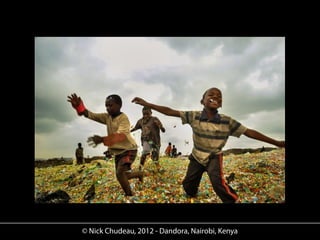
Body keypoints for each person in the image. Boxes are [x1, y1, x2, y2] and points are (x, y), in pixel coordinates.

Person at [132, 87, 285, 203]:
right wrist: (147, 103)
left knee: (218, 183)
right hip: (197, 156)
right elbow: (170, 111)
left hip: (214, 156)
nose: (215, 97)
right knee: (188, 187)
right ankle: (193, 188)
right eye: (211, 95)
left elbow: (249, 132)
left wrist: (277, 142)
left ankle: (233, 200)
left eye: (219, 96)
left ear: (221, 103)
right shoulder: (194, 116)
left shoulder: (227, 121)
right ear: (202, 101)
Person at [67, 93, 143, 196]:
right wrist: (79, 107)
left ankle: (130, 196)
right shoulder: (107, 117)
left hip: (129, 150)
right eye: (106, 106)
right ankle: (140, 174)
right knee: (122, 175)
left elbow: (120, 136)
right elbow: (90, 115)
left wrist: (102, 139)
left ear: (119, 105)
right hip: (118, 152)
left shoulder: (123, 118)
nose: (108, 108)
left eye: (110, 105)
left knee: (120, 173)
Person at [131, 106, 166, 172]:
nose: (146, 115)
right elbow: (135, 128)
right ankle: (140, 168)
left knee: (155, 156)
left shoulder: (155, 119)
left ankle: (158, 168)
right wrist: (128, 131)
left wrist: (160, 126)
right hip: (146, 140)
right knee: (145, 152)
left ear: (151, 113)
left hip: (155, 141)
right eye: (144, 114)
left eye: (147, 114)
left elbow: (163, 130)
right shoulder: (140, 121)